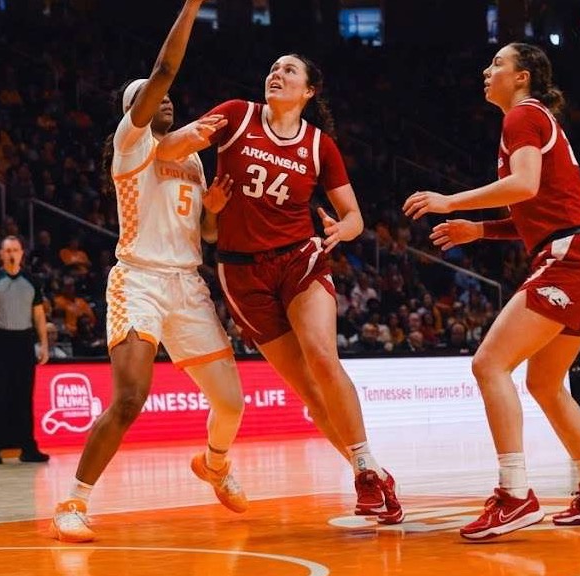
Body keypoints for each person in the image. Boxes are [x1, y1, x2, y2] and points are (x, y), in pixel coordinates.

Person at [157, 53, 403, 523]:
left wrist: (339, 231)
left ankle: (366, 469)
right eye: (272, 67)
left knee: (322, 357)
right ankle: (368, 473)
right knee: (309, 392)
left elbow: (354, 218)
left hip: (298, 260)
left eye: (290, 70)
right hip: (242, 272)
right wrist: (187, 139)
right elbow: (169, 150)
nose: (276, 73)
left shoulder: (319, 145)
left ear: (309, 91)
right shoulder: (235, 114)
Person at [403, 43, 580, 539]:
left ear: (522, 76)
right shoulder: (532, 120)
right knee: (544, 382)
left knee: (489, 364)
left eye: (497, 64)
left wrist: (448, 201)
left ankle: (514, 494)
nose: (487, 70)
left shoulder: (522, 118)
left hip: (572, 256)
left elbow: (523, 186)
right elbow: (535, 208)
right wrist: (479, 231)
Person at [52, 0, 252, 543]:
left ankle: (214, 463)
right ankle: (73, 501)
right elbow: (164, 70)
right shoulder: (131, 145)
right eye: (150, 99)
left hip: (186, 284)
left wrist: (211, 214)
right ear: (133, 111)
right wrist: (190, 8)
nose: (164, 103)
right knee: (131, 398)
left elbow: (204, 239)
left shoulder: (190, 158)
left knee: (232, 403)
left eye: (166, 101)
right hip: (138, 279)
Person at [0, 236, 49, 465]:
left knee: (24, 396)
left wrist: (44, 344)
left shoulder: (32, 281)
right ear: (1, 254)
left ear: (22, 253)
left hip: (23, 341)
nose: (12, 253)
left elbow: (39, 315)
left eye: (16, 249)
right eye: (8, 250)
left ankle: (28, 447)